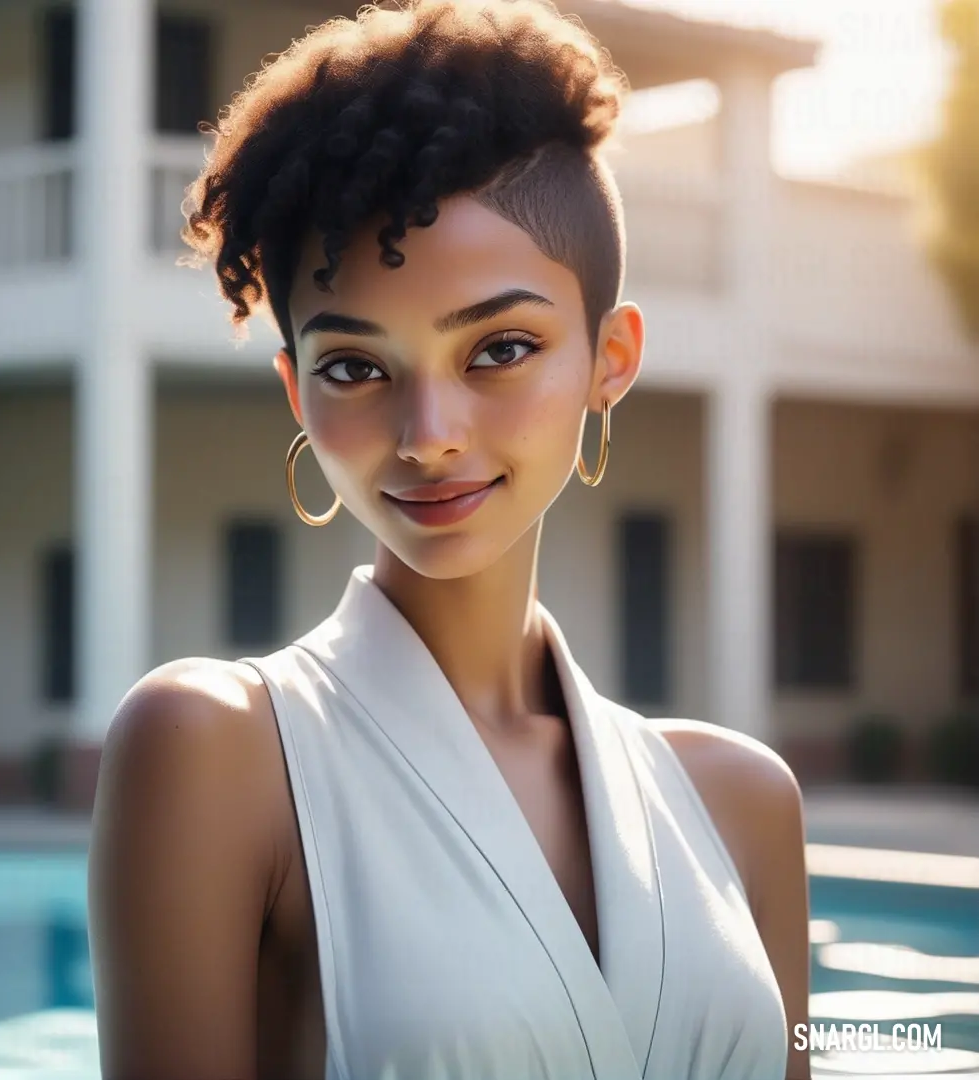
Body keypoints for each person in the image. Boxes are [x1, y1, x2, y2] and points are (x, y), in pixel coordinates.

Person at [86, 1, 811, 1078]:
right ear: (296, 389)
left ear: (611, 356)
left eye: (501, 348)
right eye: (356, 367)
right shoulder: (214, 755)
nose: (429, 436)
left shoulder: (743, 802)